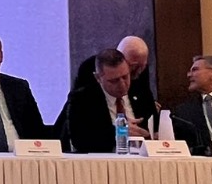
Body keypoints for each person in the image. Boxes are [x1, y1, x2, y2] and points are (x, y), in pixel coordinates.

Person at [62, 47, 198, 153]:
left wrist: (158, 135)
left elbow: (155, 126)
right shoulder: (82, 98)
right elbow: (80, 141)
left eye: (125, 77)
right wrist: (118, 132)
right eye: (114, 81)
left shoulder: (141, 91)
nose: (122, 84)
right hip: (104, 163)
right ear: (98, 78)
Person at [118, 34, 156, 111]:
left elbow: (148, 102)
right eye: (134, 66)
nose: (138, 71)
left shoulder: (142, 70)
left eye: (142, 66)